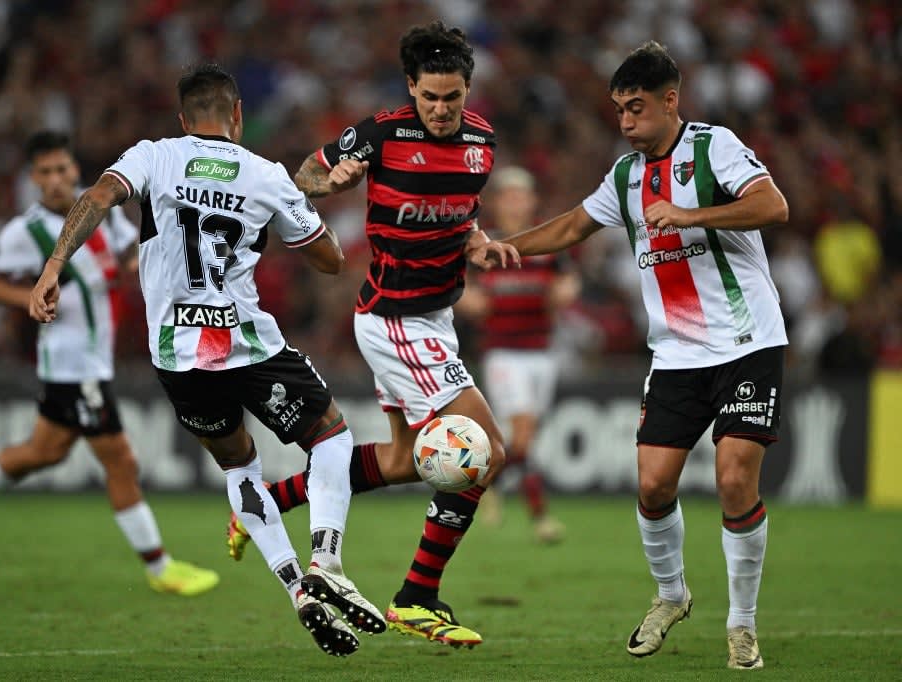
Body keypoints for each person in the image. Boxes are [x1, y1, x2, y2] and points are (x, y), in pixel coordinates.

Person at [28, 64, 385, 657]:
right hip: (245, 342)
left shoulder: (154, 155)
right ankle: (325, 558)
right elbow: (329, 260)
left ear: (182, 118)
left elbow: (96, 197)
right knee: (331, 437)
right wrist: (306, 203)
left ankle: (297, 588)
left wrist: (52, 267)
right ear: (238, 115)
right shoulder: (265, 173)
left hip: (175, 354)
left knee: (240, 467)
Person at [471, 41, 788, 670]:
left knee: (732, 480)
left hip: (747, 342)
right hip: (675, 354)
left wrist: (692, 213)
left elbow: (772, 206)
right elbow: (571, 225)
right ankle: (671, 596)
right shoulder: (625, 175)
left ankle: (743, 625)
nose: (625, 122)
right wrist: (506, 247)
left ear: (670, 100)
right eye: (619, 110)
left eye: (636, 108)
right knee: (651, 486)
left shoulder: (712, 146)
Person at [226, 21, 518, 649]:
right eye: (430, 96)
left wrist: (479, 241)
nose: (441, 109)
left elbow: (461, 214)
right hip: (396, 318)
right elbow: (301, 172)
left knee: (400, 460)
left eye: (453, 97)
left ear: (468, 90)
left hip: (434, 317)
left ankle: (270, 502)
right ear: (411, 86)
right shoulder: (381, 133)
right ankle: (417, 595)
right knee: (485, 448)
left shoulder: (483, 144)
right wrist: (328, 183)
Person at [0, 131, 219, 598]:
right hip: (72, 363)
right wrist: (28, 296)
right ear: (33, 179)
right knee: (121, 460)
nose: (57, 179)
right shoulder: (28, 232)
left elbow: (126, 256)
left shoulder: (102, 216)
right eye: (46, 172)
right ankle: (160, 567)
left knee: (46, 451)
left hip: (92, 360)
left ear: (75, 170)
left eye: (63, 169)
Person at [454, 166, 574, 544]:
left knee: (518, 441)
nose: (515, 202)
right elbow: (462, 293)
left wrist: (563, 292)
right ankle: (541, 517)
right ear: (497, 203)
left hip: (542, 352)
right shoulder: (481, 246)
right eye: (508, 195)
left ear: (532, 201)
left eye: (521, 195)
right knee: (522, 435)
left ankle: (485, 483)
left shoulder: (544, 244)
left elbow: (568, 282)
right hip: (503, 353)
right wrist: (476, 301)